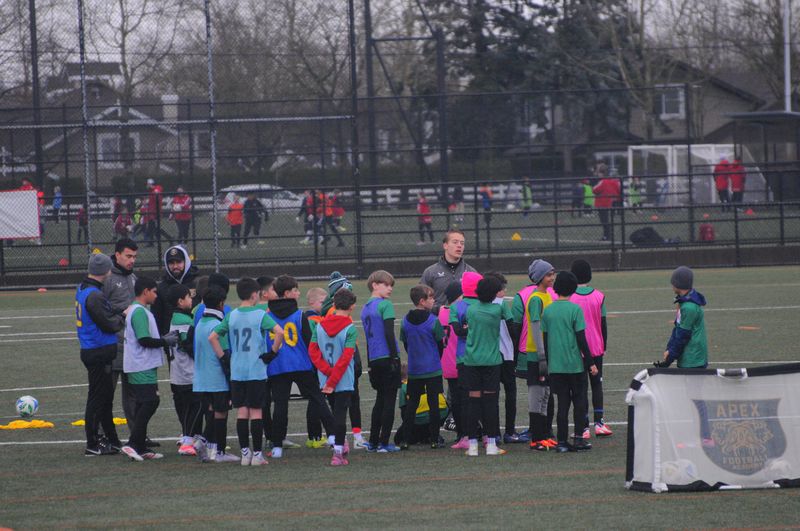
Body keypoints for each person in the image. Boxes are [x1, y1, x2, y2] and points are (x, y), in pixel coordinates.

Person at [209, 277, 284, 466]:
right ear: (254, 295)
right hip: (256, 370)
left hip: (237, 371)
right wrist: (272, 353)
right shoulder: (260, 315)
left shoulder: (231, 315)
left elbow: (213, 337)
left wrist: (224, 358)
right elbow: (280, 332)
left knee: (242, 412)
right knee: (256, 412)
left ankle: (245, 454)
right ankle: (257, 454)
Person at [266, 275, 338, 459]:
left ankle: (277, 446)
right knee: (318, 398)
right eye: (296, 290)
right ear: (288, 293)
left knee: (280, 405)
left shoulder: (267, 316)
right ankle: (332, 436)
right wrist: (317, 364)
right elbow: (309, 342)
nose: (299, 293)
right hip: (301, 364)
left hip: (278, 365)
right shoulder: (299, 315)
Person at [121, 276, 180, 461]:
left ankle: (140, 446)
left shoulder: (141, 311)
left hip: (143, 364)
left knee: (142, 404)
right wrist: (165, 341)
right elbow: (143, 339)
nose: (156, 295)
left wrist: (164, 337)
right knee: (150, 402)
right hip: (140, 365)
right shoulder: (139, 312)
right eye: (154, 292)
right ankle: (132, 444)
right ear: (145, 291)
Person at [453, 275, 513, 457]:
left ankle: (472, 446)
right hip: (492, 361)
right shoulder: (499, 308)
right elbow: (512, 325)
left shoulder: (470, 310)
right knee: (490, 403)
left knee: (473, 402)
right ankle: (491, 444)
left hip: (471, 361)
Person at [76, 253, 127, 456]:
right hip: (98, 351)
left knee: (104, 399)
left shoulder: (84, 288)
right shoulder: (94, 295)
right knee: (97, 398)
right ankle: (92, 442)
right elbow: (108, 323)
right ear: (106, 271)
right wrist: (123, 318)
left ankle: (112, 440)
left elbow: (105, 308)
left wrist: (119, 310)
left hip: (93, 350)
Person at [542, 271, 597, 453]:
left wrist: (549, 365)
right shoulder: (575, 310)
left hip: (556, 367)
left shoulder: (548, 311)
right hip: (574, 365)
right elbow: (581, 339)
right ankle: (580, 439)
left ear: (556, 289)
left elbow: (545, 341)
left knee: (562, 404)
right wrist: (590, 363)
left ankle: (562, 442)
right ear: (573, 289)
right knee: (580, 401)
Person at [309, 289, 359, 466]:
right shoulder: (350, 328)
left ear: (334, 305)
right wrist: (334, 378)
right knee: (340, 416)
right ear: (352, 306)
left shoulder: (320, 325)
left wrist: (326, 372)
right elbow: (346, 358)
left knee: (334, 412)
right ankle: (338, 453)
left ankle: (340, 444)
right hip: (342, 379)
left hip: (325, 378)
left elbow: (313, 351)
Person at [191, 285, 239, 463]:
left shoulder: (200, 324)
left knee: (211, 411)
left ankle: (206, 446)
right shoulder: (218, 326)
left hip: (201, 378)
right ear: (221, 304)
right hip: (216, 377)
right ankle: (218, 450)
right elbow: (224, 355)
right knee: (221, 413)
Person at [102, 238, 140, 444]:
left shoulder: (133, 277)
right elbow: (99, 310)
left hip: (131, 347)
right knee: (106, 393)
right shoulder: (106, 278)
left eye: (134, 256)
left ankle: (137, 434)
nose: (131, 260)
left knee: (133, 394)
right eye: (128, 256)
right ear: (117, 255)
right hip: (111, 345)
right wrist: (120, 316)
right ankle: (102, 435)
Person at [399, 284, 445, 450]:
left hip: (414, 370)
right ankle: (434, 439)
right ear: (422, 301)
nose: (434, 300)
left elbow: (405, 343)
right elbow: (440, 344)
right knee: (434, 404)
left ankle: (405, 440)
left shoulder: (405, 321)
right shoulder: (434, 321)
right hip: (432, 368)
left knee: (412, 405)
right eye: (431, 297)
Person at [569, 259, 611, 438]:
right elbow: (603, 324)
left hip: (577, 348)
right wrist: (604, 345)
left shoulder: (569, 296)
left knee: (580, 387)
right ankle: (600, 423)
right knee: (597, 384)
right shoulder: (599, 296)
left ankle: (583, 427)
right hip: (596, 347)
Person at [361, 270, 402, 453]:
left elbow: (370, 340)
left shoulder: (365, 308)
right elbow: (388, 333)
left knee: (379, 400)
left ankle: (373, 441)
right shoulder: (385, 305)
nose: (390, 288)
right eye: (386, 284)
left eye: (391, 285)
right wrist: (395, 357)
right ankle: (384, 443)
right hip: (387, 357)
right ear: (375, 285)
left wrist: (370, 362)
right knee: (389, 401)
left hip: (374, 358)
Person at [483, 272, 524, 443]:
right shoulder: (502, 305)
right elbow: (513, 330)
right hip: (506, 354)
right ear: (498, 290)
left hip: (489, 355)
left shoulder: (481, 305)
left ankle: (492, 433)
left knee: (491, 396)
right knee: (510, 392)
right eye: (503, 288)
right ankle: (510, 431)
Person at [448, 271, 482, 450]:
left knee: (466, 398)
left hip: (464, 358)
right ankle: (488, 435)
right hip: (485, 357)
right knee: (486, 397)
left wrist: (468, 327)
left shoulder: (457, 307)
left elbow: (459, 331)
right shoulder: (486, 305)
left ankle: (468, 436)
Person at [525, 259, 557, 451]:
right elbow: (536, 328)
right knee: (537, 394)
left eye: (552, 273)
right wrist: (541, 355)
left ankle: (544, 434)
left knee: (545, 393)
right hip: (536, 354)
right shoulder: (536, 299)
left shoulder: (547, 296)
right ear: (539, 278)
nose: (552, 277)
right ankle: (536, 438)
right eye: (548, 274)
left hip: (546, 352)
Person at [167, 284, 202, 456]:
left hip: (176, 373)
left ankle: (189, 436)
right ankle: (188, 440)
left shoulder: (174, 319)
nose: (191, 299)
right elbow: (190, 347)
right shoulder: (187, 322)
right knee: (196, 405)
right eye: (189, 297)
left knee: (184, 407)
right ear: (181, 301)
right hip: (188, 373)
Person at [654, 266, 708, 369]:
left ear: (679, 284)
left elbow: (683, 335)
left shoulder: (689, 307)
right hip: (688, 357)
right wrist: (670, 350)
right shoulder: (683, 302)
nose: (672, 285)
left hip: (693, 360)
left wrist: (670, 358)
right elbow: (677, 330)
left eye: (673, 282)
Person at [420, 229, 477, 314]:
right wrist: (438, 310)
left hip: (464, 323)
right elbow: (421, 301)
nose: (459, 246)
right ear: (445, 245)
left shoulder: (472, 273)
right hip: (438, 323)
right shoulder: (430, 272)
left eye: (462, 243)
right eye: (455, 242)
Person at [151, 245, 200, 336]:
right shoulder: (161, 288)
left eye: (179, 262)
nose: (175, 266)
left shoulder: (197, 284)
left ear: (186, 262)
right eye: (171, 263)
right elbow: (157, 318)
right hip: (170, 341)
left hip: (195, 338)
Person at [439, 281, 464, 444]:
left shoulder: (441, 312)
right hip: (460, 361)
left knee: (455, 398)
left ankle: (460, 432)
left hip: (446, 363)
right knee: (466, 399)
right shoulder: (459, 312)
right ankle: (466, 433)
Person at [593, 170, 621, 241]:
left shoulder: (603, 181)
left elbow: (595, 190)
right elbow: (618, 189)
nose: (598, 174)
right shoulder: (613, 181)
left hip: (602, 203)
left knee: (604, 220)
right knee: (607, 220)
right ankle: (608, 235)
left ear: (602, 174)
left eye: (599, 173)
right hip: (610, 202)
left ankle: (607, 236)